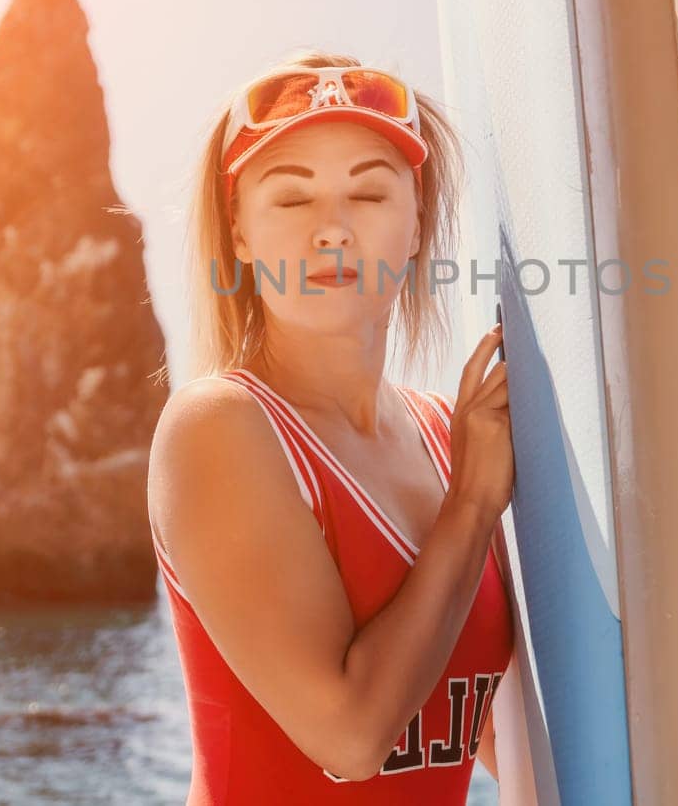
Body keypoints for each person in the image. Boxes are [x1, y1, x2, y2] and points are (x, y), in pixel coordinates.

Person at [146, 49, 519, 804]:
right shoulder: (219, 427)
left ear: (417, 223)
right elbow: (351, 737)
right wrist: (475, 504)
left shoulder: (454, 436)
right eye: (291, 199)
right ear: (240, 234)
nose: (333, 230)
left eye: (371, 194)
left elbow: (498, 739)